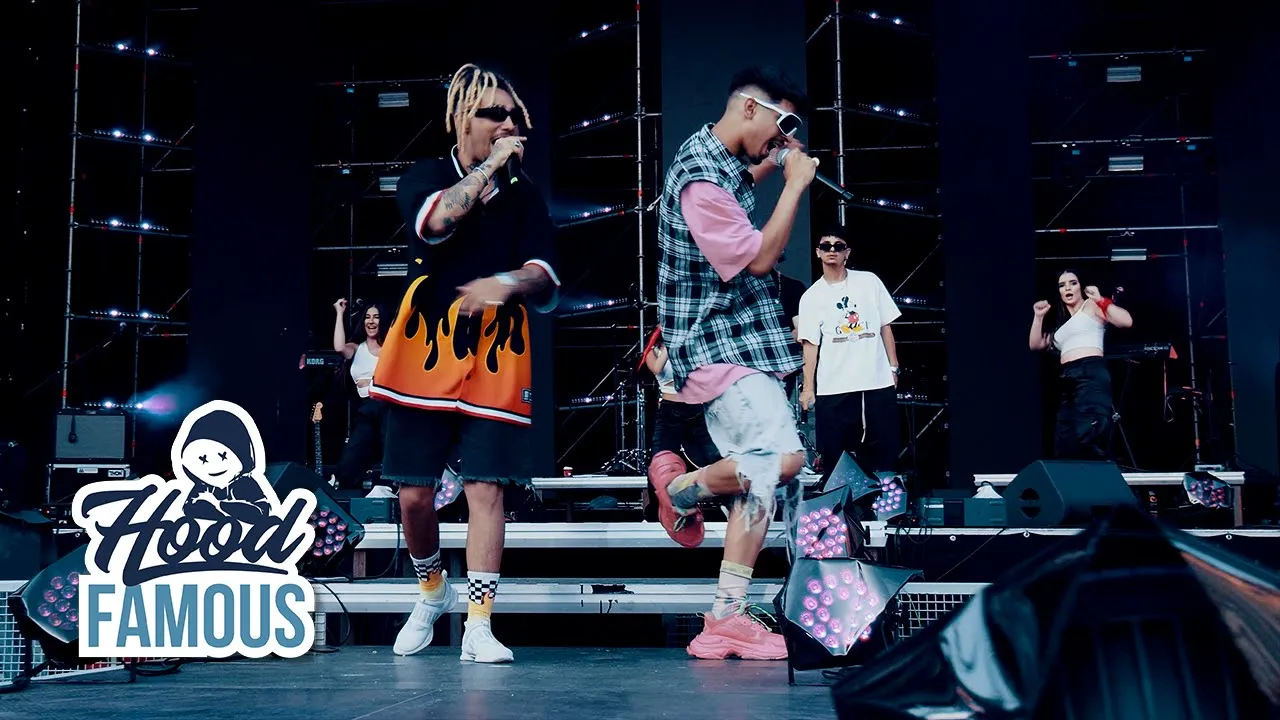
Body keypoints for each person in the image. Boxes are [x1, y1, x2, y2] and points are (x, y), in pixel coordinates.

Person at [369, 62, 561, 663]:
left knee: (486, 487)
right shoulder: (427, 174)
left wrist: (506, 282)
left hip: (498, 350)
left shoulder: (524, 195)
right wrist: (488, 168)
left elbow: (545, 274)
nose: (507, 124)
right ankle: (432, 590)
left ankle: (479, 623)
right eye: (493, 113)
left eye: (514, 116)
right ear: (461, 118)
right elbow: (436, 222)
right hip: (425, 342)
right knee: (414, 496)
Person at [651, 66, 818, 660]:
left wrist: (772, 163)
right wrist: (794, 185)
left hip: (743, 343)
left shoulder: (718, 162)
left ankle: (725, 616)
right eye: (782, 124)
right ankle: (681, 489)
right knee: (783, 460)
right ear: (750, 108)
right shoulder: (700, 180)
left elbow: (739, 180)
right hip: (718, 345)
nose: (785, 137)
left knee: (760, 480)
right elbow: (759, 259)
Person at [796, 226, 902, 477]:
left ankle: (884, 498)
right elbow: (810, 345)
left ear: (847, 252)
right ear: (818, 252)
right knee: (835, 453)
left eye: (838, 246)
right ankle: (843, 499)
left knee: (883, 448)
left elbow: (885, 326)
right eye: (826, 246)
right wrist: (808, 388)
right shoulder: (811, 296)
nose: (832, 250)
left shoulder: (869, 281)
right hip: (834, 384)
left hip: (875, 380)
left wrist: (893, 367)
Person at [1028, 269, 1133, 460]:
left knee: (1089, 436)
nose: (1067, 288)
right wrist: (1038, 316)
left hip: (1090, 372)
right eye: (1062, 285)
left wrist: (1101, 299)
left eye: (1073, 283)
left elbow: (1126, 321)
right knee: (1065, 441)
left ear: (1080, 286)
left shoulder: (1090, 306)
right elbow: (1036, 345)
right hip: (1067, 378)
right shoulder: (1061, 324)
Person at [644, 332, 722, 521]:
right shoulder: (652, 352)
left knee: (712, 455)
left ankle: (727, 502)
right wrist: (669, 346)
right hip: (670, 409)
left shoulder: (690, 348)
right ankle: (657, 509)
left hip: (696, 407)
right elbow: (657, 368)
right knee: (660, 457)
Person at [330, 298, 390, 490]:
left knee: (389, 453)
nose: (371, 321)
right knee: (351, 459)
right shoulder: (357, 348)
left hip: (387, 406)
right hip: (366, 408)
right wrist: (339, 313)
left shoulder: (390, 349)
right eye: (368, 317)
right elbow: (339, 347)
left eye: (376, 317)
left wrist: (374, 381)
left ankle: (390, 492)